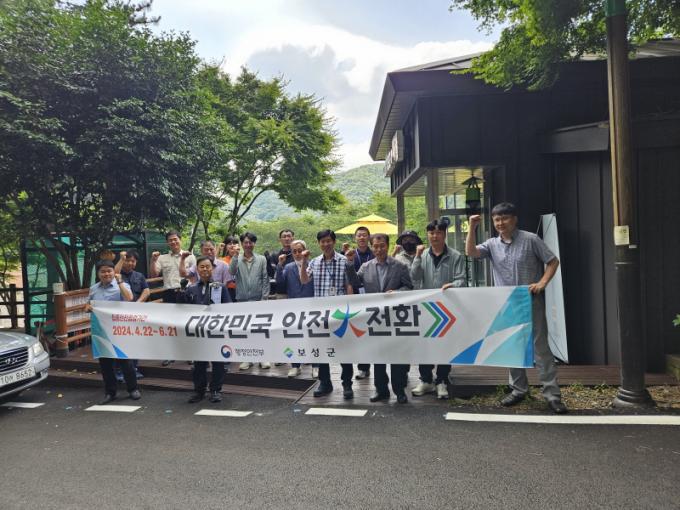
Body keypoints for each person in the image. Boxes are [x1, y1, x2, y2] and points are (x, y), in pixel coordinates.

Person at [466, 202, 567, 414]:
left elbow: (552, 261)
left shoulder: (531, 239)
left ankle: (552, 395)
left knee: (540, 348)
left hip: (530, 300)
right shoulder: (492, 244)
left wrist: (542, 283)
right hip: (506, 304)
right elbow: (471, 252)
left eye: (505, 218)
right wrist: (472, 228)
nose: (500, 223)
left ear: (514, 219)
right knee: (512, 346)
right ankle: (518, 389)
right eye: (497, 219)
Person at [346, 233, 413, 403]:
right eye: (375, 246)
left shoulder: (399, 266)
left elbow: (409, 287)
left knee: (397, 356)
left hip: (394, 317)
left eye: (382, 245)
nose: (379, 249)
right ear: (372, 247)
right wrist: (350, 263)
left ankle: (399, 391)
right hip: (374, 318)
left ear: (387, 246)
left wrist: (397, 292)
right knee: (378, 356)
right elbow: (355, 282)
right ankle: (381, 390)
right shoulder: (366, 266)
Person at [410, 217, 466, 400]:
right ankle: (426, 380)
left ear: (444, 234)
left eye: (439, 233)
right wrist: (417, 257)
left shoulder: (456, 255)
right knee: (424, 344)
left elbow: (462, 280)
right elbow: (414, 277)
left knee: (445, 343)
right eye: (431, 233)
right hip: (426, 307)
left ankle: (442, 380)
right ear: (428, 235)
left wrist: (453, 285)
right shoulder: (422, 255)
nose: (435, 236)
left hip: (447, 308)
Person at [300, 229, 355, 399]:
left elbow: (349, 285)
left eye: (328, 241)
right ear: (319, 244)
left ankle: (347, 384)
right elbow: (304, 280)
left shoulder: (344, 261)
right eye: (322, 241)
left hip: (340, 312)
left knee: (344, 349)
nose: (326, 244)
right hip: (321, 313)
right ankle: (325, 383)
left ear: (334, 241)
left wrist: (350, 308)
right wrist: (304, 261)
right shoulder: (314, 262)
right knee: (322, 349)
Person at [177, 256, 232, 404]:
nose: (205, 269)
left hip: (216, 332)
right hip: (198, 333)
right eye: (202, 267)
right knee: (199, 364)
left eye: (208, 266)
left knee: (218, 363)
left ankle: (215, 390)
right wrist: (181, 291)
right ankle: (199, 391)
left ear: (212, 268)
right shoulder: (191, 288)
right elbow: (182, 308)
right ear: (197, 269)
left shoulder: (220, 287)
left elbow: (228, 307)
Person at [87, 260, 140, 405]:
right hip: (102, 332)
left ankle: (133, 389)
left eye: (109, 271)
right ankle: (110, 392)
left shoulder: (122, 285)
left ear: (114, 272)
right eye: (103, 271)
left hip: (119, 330)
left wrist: (120, 282)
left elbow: (129, 298)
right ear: (98, 274)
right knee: (106, 364)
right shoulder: (93, 289)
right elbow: (88, 304)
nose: (106, 274)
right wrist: (87, 308)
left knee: (126, 362)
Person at [149, 231, 196, 367]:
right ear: (167, 242)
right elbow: (154, 274)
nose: (173, 242)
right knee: (170, 325)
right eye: (170, 240)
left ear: (180, 240)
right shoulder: (162, 258)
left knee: (187, 324)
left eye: (175, 239)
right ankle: (170, 354)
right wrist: (153, 260)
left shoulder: (190, 256)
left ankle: (190, 354)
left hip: (186, 292)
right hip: (169, 293)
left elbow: (194, 276)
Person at [228, 232, 271, 370]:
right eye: (245, 242)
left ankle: (263, 357)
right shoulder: (237, 259)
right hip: (242, 300)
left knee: (260, 330)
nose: (248, 245)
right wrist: (235, 256)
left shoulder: (261, 259)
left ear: (254, 243)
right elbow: (231, 272)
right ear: (242, 244)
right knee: (245, 330)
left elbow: (265, 278)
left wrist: (264, 298)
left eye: (250, 242)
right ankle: (248, 358)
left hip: (258, 299)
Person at [275, 239, 316, 378]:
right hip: (294, 307)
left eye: (300, 250)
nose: (297, 254)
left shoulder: (313, 265)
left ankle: (316, 366)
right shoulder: (288, 267)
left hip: (311, 305)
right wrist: (279, 266)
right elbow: (280, 284)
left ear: (305, 250)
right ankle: (295, 366)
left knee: (313, 336)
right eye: (294, 251)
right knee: (294, 337)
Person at [343, 226, 374, 380]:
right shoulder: (350, 255)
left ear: (369, 237)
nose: (362, 237)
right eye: (359, 235)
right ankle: (363, 367)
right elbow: (348, 278)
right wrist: (350, 298)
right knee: (360, 333)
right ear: (355, 238)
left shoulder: (374, 253)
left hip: (373, 297)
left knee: (374, 333)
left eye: (364, 235)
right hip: (356, 297)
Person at [114, 249, 149, 379]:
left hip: (136, 314)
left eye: (133, 261)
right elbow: (114, 273)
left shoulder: (139, 276)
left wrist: (138, 303)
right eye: (127, 260)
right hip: (120, 314)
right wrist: (121, 259)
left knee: (135, 341)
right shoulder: (116, 275)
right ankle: (119, 370)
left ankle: (134, 368)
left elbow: (146, 290)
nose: (130, 263)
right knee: (120, 341)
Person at [268, 229, 295, 294]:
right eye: (284, 237)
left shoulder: (298, 255)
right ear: (280, 240)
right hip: (280, 292)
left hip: (296, 291)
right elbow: (272, 274)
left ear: (293, 238)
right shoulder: (274, 256)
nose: (287, 239)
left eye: (289, 236)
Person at [219, 235, 240, 302]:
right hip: (227, 290)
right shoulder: (222, 260)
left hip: (240, 290)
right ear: (226, 246)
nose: (232, 245)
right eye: (230, 244)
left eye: (234, 243)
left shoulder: (243, 259)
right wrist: (218, 250)